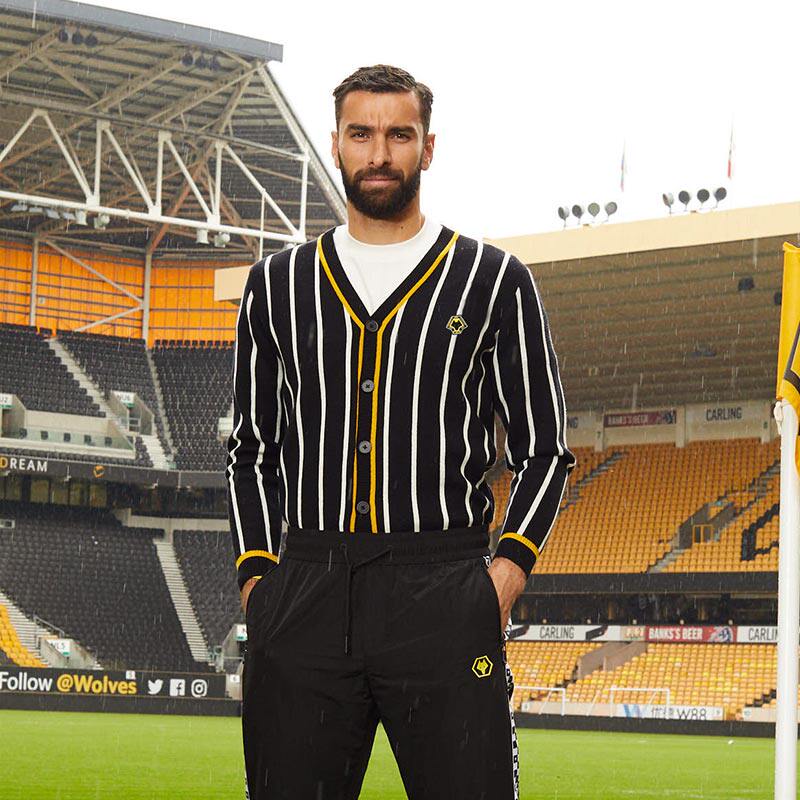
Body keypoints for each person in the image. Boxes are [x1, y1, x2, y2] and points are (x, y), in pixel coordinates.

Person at [226, 63, 576, 800]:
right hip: (305, 587)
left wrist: (504, 576)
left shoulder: (494, 280)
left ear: (428, 147)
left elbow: (545, 448)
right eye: (361, 134)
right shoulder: (276, 284)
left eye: (399, 135)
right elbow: (251, 448)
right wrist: (259, 577)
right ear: (335, 144)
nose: (379, 153)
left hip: (443, 585)